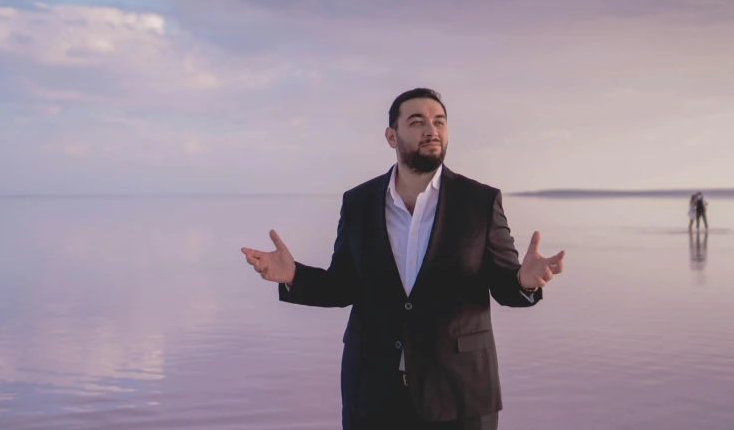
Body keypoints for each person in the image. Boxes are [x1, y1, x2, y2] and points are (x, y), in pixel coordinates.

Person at [240, 88, 567, 430]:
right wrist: (294, 275)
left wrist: (525, 282)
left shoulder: (480, 201)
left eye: (439, 121)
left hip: (460, 394)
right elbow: (343, 287)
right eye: (417, 121)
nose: (431, 129)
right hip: (372, 392)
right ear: (391, 136)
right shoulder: (359, 202)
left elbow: (504, 286)